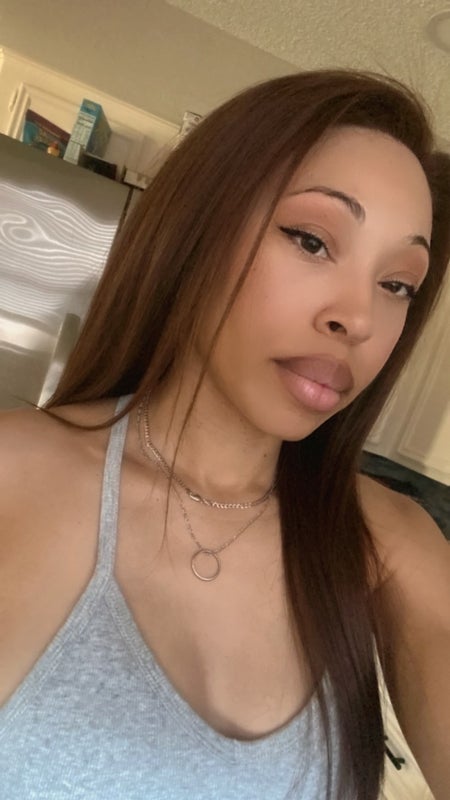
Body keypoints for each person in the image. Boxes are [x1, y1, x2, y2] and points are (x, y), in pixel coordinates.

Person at [0, 69, 449, 800]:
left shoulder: (389, 546)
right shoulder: (15, 473)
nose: (360, 319)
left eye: (397, 283)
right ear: (198, 227)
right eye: (312, 240)